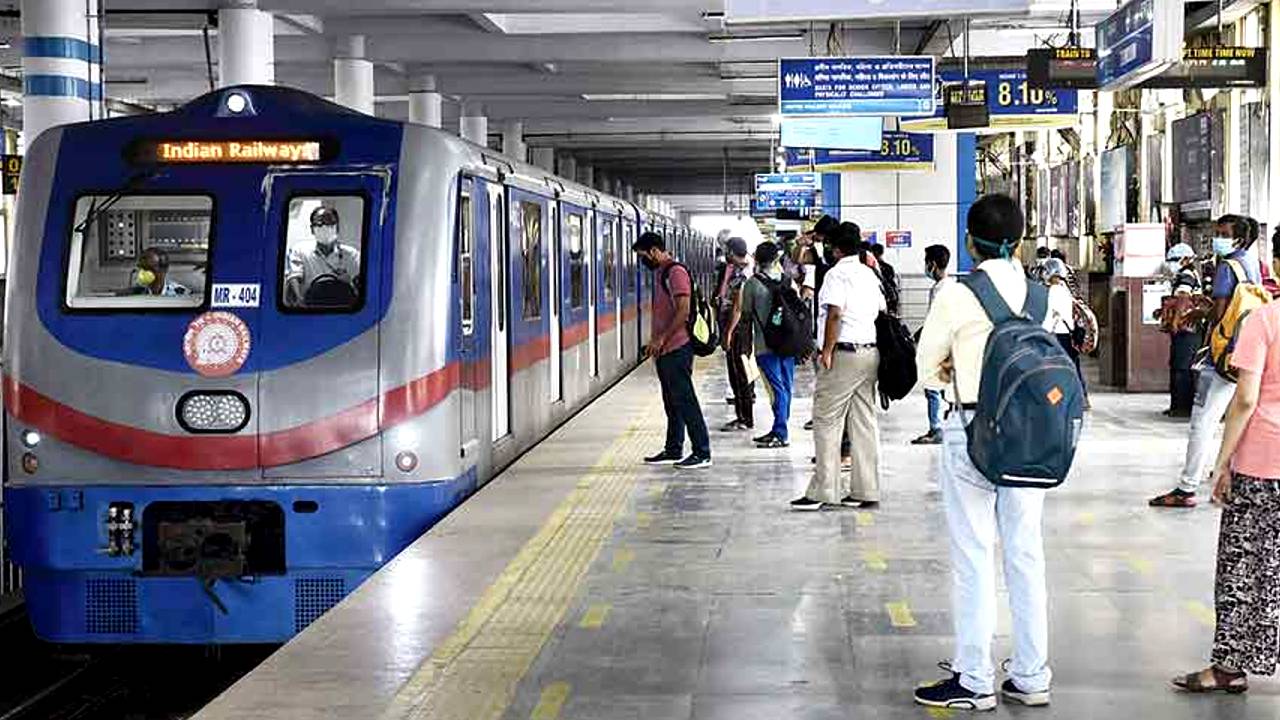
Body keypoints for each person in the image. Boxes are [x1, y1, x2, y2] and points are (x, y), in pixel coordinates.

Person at [914, 194, 1052, 711]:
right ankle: (1032, 676)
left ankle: (974, 679)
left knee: (974, 555)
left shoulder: (954, 292)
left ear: (970, 242)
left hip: (971, 430)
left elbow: (928, 367)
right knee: (1025, 554)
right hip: (1032, 437)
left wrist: (951, 372)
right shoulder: (1043, 295)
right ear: (1019, 241)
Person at [1172, 239, 1280, 695]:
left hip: (1262, 464)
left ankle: (1230, 668)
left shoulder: (1264, 320)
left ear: (1275, 264)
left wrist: (1221, 464)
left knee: (1243, 568)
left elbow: (1246, 399)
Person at [1150, 215, 1262, 508]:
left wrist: (1197, 313)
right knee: (1242, 416)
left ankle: (1187, 488)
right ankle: (1233, 472)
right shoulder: (1252, 265)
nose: (1217, 239)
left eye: (1223, 234)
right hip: (1247, 350)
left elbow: (1220, 313)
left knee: (1203, 421)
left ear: (1238, 239)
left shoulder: (1227, 268)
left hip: (1222, 354)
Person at [791, 228, 885, 511]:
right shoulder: (869, 274)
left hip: (843, 354)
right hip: (870, 352)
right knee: (864, 421)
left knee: (826, 420)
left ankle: (824, 489)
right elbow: (881, 308)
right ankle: (866, 489)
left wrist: (827, 351)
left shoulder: (836, 274)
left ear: (835, 249)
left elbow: (835, 314)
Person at [633, 231, 712, 470]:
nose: (642, 261)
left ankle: (702, 452)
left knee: (685, 400)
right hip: (666, 349)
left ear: (655, 251)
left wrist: (662, 339)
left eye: (643, 256)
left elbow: (683, 310)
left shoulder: (675, 272)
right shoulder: (661, 272)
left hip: (677, 346)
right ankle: (673, 448)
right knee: (672, 401)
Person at [728, 241, 795, 448]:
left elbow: (745, 317)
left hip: (766, 346)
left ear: (756, 259)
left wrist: (745, 346)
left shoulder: (752, 284)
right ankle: (780, 426)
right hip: (789, 344)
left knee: (776, 389)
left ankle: (780, 432)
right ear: (776, 259)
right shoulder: (788, 281)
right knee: (786, 387)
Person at [1161, 243, 1208, 418]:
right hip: (1190, 327)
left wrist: (1175, 322)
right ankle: (1179, 404)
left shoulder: (1186, 275)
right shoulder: (1189, 274)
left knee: (1182, 366)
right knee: (1180, 365)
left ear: (1186, 260)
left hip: (1187, 328)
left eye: (1175, 260)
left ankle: (1181, 407)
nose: (1171, 264)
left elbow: (1183, 298)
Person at [912, 244, 952, 445]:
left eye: (926, 262)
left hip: (939, 346)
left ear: (933, 264)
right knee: (945, 387)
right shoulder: (952, 286)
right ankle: (949, 424)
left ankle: (936, 428)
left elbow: (935, 321)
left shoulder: (939, 290)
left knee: (933, 388)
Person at [284, 206, 360, 307]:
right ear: (312, 229)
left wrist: (349, 281)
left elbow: (362, 287)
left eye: (329, 223)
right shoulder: (300, 251)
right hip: (311, 310)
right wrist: (301, 301)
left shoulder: (352, 255)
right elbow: (294, 278)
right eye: (320, 224)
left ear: (337, 227)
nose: (325, 227)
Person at [718, 237, 755, 432]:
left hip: (739, 327)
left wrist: (728, 333)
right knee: (738, 372)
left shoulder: (744, 274)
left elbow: (738, 307)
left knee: (739, 372)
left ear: (732, 252)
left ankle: (744, 418)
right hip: (740, 326)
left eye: (727, 251)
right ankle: (743, 415)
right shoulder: (743, 268)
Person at [1042, 258, 1084, 397]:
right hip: (1068, 333)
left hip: (1058, 335)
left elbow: (1052, 315)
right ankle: (1080, 397)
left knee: (1055, 370)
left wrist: (1043, 333)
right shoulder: (1065, 289)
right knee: (1072, 366)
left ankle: (1057, 398)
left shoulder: (1054, 290)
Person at [869, 244, 901, 316]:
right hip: (888, 301)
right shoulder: (888, 267)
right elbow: (891, 283)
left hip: (876, 301)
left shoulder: (870, 268)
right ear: (882, 253)